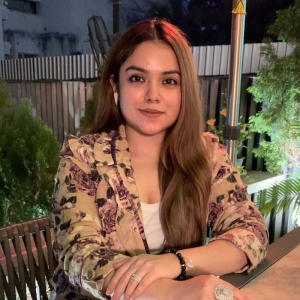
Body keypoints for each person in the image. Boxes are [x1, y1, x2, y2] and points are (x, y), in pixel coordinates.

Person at [51, 18, 268, 300]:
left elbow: (251, 232)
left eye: (168, 81)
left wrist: (175, 262)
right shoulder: (84, 158)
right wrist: (178, 291)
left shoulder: (205, 155)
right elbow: (81, 256)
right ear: (115, 84)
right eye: (137, 78)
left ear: (184, 89)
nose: (153, 95)